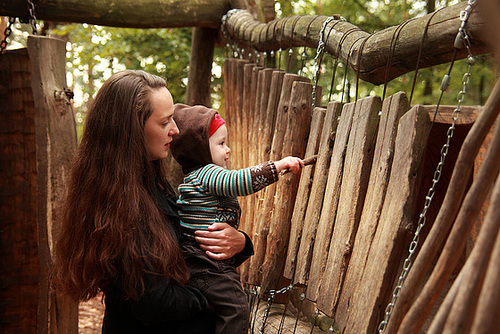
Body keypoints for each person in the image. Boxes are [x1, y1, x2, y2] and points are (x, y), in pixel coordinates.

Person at [51, 70, 254, 333]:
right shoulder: (121, 205)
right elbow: (154, 303)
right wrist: (217, 300)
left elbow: (191, 255)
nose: (175, 130)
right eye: (164, 122)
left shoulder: (151, 183)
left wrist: (240, 243)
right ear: (132, 129)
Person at [169, 104, 304, 334]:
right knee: (237, 308)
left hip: (202, 260)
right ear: (200, 150)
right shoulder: (206, 173)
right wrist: (278, 167)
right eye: (221, 144)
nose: (228, 149)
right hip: (207, 262)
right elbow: (239, 181)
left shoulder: (198, 177)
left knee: (227, 307)